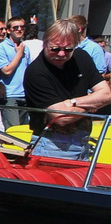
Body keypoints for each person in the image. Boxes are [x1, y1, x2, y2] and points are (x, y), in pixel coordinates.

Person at [23, 19, 111, 156]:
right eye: (55, 48)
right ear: (44, 44)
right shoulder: (36, 72)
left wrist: (73, 103)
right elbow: (61, 117)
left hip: (83, 141)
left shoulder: (82, 57)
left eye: (68, 49)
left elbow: (106, 95)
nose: (61, 54)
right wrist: (93, 102)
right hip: (52, 145)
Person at [0, 17, 37, 126]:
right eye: (15, 27)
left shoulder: (25, 47)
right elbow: (6, 71)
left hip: (25, 94)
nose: (19, 30)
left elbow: (29, 71)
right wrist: (19, 54)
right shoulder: (1, 47)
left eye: (22, 27)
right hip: (10, 95)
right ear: (9, 30)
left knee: (22, 132)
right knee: (13, 132)